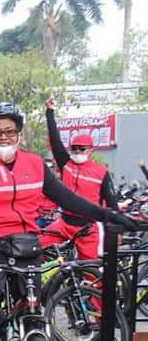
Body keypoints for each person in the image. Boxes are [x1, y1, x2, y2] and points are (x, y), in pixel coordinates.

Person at [0, 102, 138, 341]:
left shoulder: (35, 165)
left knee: (34, 313)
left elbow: (68, 199)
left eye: (10, 132)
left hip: (26, 243)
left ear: (20, 134)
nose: (4, 137)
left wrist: (109, 214)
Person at [41, 95, 117, 260]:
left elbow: (112, 203)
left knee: (91, 274)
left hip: (88, 228)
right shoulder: (66, 164)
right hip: (64, 223)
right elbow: (55, 141)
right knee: (38, 249)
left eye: (81, 149)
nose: (77, 152)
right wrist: (50, 112)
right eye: (74, 148)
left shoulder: (101, 172)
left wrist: (118, 230)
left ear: (91, 150)